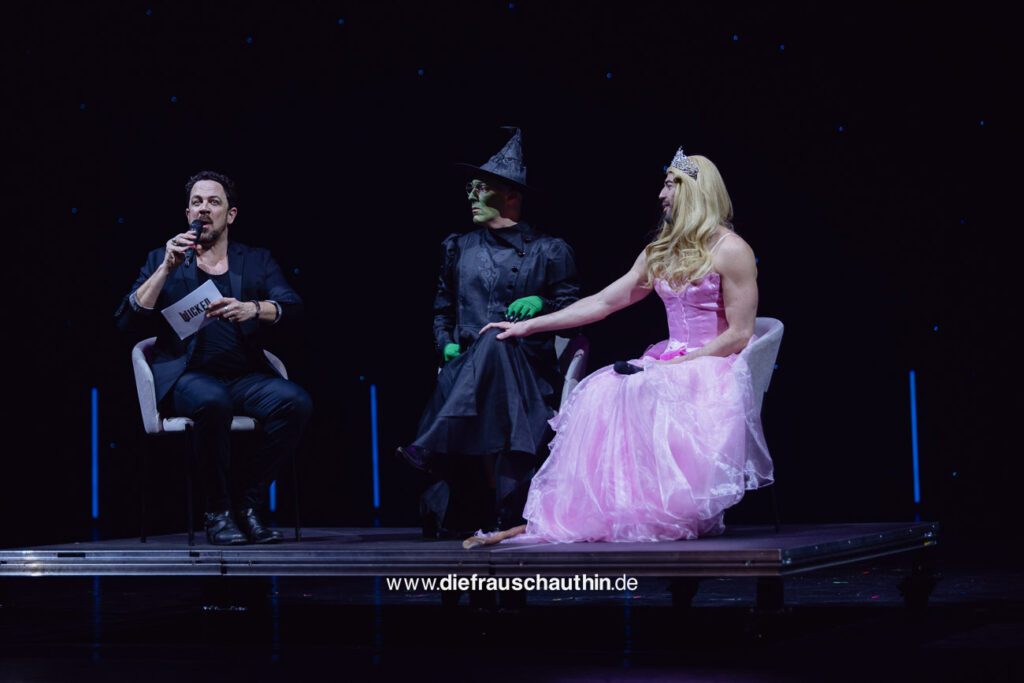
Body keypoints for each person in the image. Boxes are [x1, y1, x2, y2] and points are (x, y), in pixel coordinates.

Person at [466, 148, 773, 546]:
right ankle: (597, 513)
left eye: (671, 185)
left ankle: (658, 508)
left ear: (695, 191)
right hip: (670, 358)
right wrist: (528, 326)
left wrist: (682, 363)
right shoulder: (660, 251)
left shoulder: (732, 250)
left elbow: (740, 334)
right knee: (604, 388)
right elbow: (603, 302)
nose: (662, 194)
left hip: (713, 363)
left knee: (644, 385)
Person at [398, 128, 580, 536]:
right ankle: (493, 507)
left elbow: (575, 313)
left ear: (511, 195)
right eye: (470, 188)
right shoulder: (457, 247)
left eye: (481, 188)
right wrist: (445, 344)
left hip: (527, 373)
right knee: (485, 345)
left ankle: (429, 446)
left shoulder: (549, 250)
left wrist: (542, 303)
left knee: (496, 340)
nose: (471, 195)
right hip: (464, 368)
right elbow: (442, 309)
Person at [115, 171, 312, 546]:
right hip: (187, 377)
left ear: (230, 214)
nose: (204, 208)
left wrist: (253, 308)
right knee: (212, 400)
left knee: (295, 402)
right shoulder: (163, 259)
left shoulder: (255, 260)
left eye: (214, 202)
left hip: (244, 377)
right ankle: (218, 511)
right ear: (187, 213)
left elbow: (293, 307)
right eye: (197, 202)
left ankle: (247, 503)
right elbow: (126, 320)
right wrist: (166, 268)